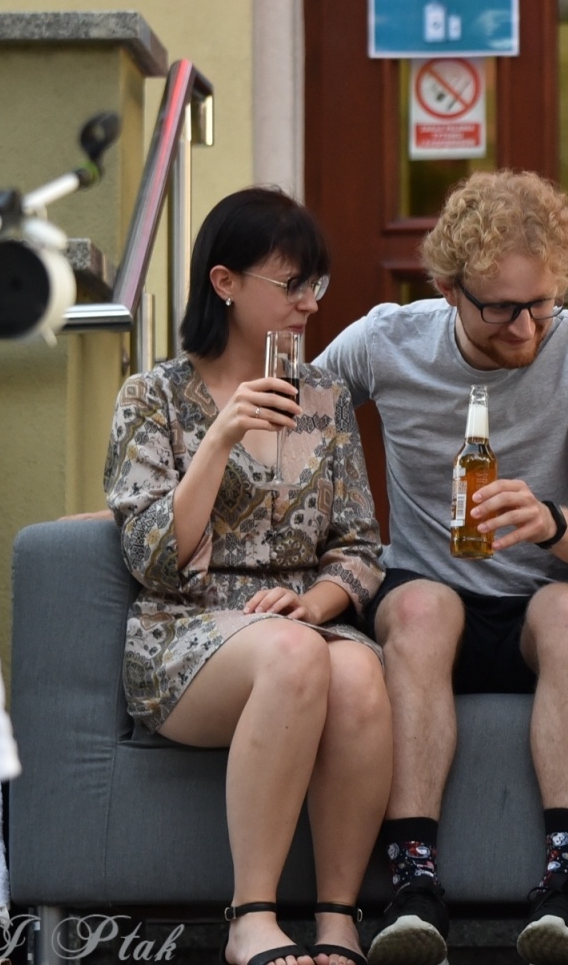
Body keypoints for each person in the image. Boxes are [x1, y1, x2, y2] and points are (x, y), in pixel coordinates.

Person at [316, 170, 568, 965]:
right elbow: (284, 424)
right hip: (428, 596)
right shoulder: (387, 341)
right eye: (500, 308)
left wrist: (551, 520)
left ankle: (565, 890)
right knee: (422, 608)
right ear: (447, 290)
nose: (526, 328)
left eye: (542, 304)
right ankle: (413, 886)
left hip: (541, 600)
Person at [104, 188, 389, 965]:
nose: (310, 303)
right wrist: (219, 439)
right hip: (184, 631)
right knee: (295, 656)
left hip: (298, 624)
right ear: (224, 282)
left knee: (357, 670)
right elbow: (151, 559)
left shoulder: (323, 399)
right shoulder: (153, 398)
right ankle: (252, 918)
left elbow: (360, 547)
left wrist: (314, 603)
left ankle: (337, 919)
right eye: (291, 284)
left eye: (316, 284)